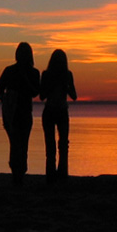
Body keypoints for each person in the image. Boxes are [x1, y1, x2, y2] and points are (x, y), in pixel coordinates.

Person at [0, 42, 40, 186]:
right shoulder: (9, 71)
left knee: (22, 144)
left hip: (25, 112)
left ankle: (20, 173)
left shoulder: (34, 73)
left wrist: (25, 80)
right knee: (15, 144)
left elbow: (35, 92)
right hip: (11, 113)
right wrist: (6, 100)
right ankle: (16, 173)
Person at [40, 49, 77, 184]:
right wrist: (51, 86)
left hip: (61, 111)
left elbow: (74, 96)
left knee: (62, 144)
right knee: (52, 145)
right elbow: (42, 96)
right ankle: (52, 175)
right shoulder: (46, 75)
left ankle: (61, 174)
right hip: (51, 111)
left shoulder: (67, 75)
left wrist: (66, 87)